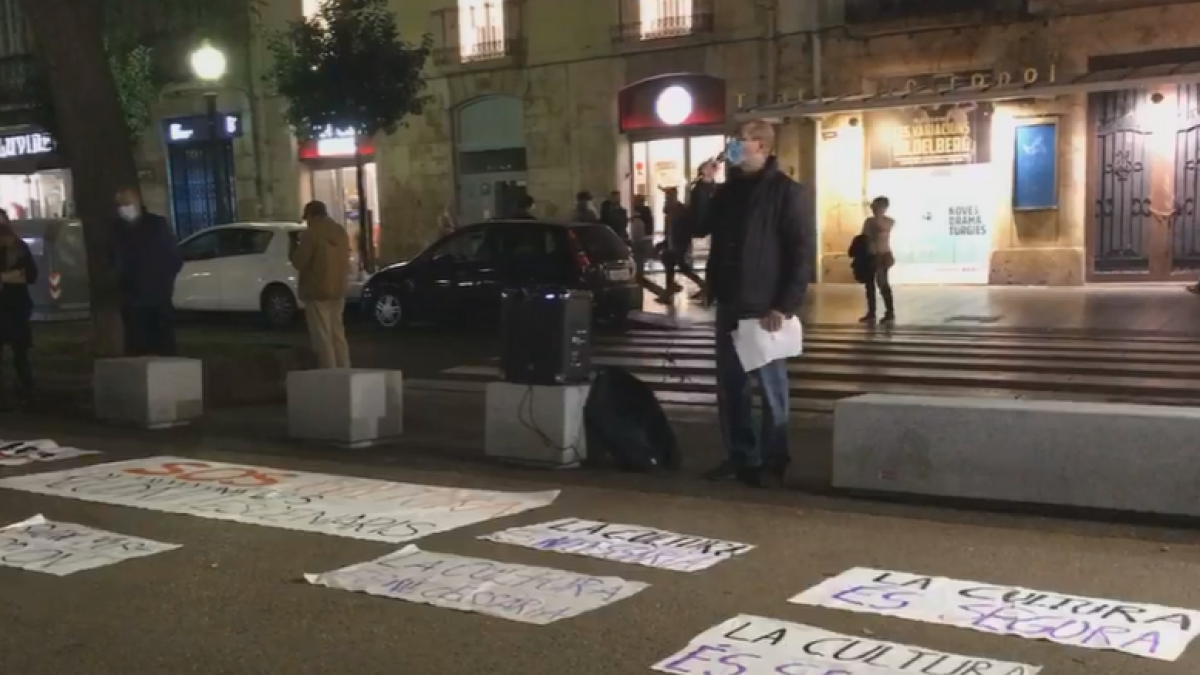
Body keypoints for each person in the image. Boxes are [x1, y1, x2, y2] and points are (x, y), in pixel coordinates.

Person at [692, 120, 814, 488]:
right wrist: (704, 185)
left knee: (771, 387)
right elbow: (699, 227)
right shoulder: (727, 191)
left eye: (739, 141)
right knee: (731, 387)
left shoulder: (785, 192)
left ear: (760, 145)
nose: (732, 146)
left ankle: (775, 457)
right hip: (730, 300)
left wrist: (785, 304)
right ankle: (741, 456)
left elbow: (800, 251)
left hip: (764, 306)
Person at [113, 187, 182, 356]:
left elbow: (173, 259)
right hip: (132, 301)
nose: (124, 207)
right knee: (136, 347)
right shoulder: (117, 230)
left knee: (163, 346)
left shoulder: (156, 225)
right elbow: (112, 260)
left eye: (127, 203)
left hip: (157, 299)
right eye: (121, 204)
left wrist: (162, 285)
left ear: (137, 202)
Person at [292, 200, 352, 369]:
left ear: (313, 216)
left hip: (317, 290)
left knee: (322, 337)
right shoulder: (340, 231)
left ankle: (329, 372)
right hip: (338, 289)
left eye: (308, 218)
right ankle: (344, 369)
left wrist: (292, 248)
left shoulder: (311, 234)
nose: (307, 222)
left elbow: (299, 261)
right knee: (338, 334)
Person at [0, 209, 36, 407]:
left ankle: (27, 393)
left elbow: (30, 275)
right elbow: (22, 274)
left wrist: (5, 277)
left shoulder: (19, 248)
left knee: (20, 354)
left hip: (16, 307)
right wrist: (15, 275)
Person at [660, 185, 707, 303]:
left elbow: (683, 229)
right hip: (673, 244)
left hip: (678, 245)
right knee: (670, 265)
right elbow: (669, 230)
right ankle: (670, 289)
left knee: (682, 267)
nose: (666, 199)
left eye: (668, 196)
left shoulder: (680, 211)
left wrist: (681, 245)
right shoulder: (672, 211)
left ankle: (704, 286)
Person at [860, 196, 895, 323]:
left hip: (882, 255)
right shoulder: (869, 222)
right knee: (869, 285)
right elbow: (865, 237)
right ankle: (872, 312)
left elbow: (881, 228)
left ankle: (889, 311)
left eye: (876, 206)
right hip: (871, 256)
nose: (873, 208)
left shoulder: (886, 221)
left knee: (882, 283)